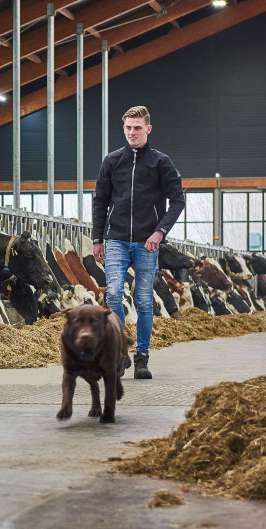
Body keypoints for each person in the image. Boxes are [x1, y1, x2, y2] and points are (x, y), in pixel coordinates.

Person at [91, 106, 185, 380]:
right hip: (117, 239)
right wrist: (98, 238)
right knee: (113, 295)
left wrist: (160, 232)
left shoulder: (160, 162)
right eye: (128, 128)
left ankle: (142, 357)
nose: (132, 132)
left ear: (148, 129)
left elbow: (177, 200)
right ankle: (120, 352)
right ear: (124, 129)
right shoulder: (112, 161)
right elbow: (100, 202)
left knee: (144, 300)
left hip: (147, 243)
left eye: (137, 128)